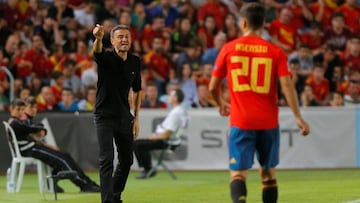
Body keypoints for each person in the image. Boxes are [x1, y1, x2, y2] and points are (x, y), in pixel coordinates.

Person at [209, 3, 310, 203]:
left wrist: (220, 103)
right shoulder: (276, 51)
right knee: (268, 174)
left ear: (243, 22)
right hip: (268, 121)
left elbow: (212, 87)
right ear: (264, 23)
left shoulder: (229, 49)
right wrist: (298, 117)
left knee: (238, 174)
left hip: (241, 121)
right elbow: (287, 86)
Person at [92, 24, 142, 203]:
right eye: (120, 37)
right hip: (104, 116)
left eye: (126, 36)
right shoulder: (105, 58)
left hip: (124, 117)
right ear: (112, 41)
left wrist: (136, 118)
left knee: (127, 160)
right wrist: (98, 38)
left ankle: (114, 195)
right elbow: (96, 52)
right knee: (106, 159)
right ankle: (107, 201)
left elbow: (137, 90)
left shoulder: (135, 61)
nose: (124, 40)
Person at [8, 98, 100, 193]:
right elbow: (29, 129)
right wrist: (40, 128)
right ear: (12, 109)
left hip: (32, 148)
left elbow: (31, 134)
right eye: (19, 109)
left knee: (65, 156)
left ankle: (84, 183)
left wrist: (43, 136)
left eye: (22, 109)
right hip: (29, 149)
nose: (21, 112)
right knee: (62, 160)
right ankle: (83, 184)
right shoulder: (16, 122)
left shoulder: (20, 121)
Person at [134, 89, 187, 179]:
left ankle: (147, 169)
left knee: (137, 144)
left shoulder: (176, 113)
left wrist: (154, 137)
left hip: (166, 141)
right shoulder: (178, 111)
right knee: (139, 144)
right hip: (166, 139)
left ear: (176, 98)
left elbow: (167, 134)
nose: (168, 97)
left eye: (171, 95)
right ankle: (148, 169)